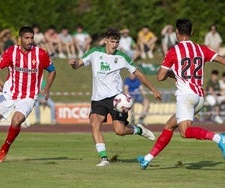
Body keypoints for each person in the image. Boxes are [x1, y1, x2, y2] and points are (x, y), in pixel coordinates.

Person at [137, 18, 225, 170]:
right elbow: (222, 60)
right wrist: (176, 74)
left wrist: (168, 71)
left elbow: (160, 76)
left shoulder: (173, 51)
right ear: (191, 32)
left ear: (177, 33)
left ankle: (219, 138)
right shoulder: (201, 49)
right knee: (170, 126)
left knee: (185, 132)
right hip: (199, 98)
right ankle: (147, 159)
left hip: (186, 97)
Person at [68, 28, 162, 167]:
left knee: (119, 131)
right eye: (112, 41)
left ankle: (138, 129)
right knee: (94, 123)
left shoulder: (122, 57)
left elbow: (139, 74)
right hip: (98, 99)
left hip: (116, 99)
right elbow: (79, 64)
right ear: (105, 41)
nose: (114, 45)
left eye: (117, 42)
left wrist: (154, 90)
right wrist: (74, 63)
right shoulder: (95, 52)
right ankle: (104, 158)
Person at [0, 26, 56, 163]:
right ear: (19, 39)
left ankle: (4, 149)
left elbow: (52, 70)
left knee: (17, 120)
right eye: (27, 38)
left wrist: (47, 88)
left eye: (32, 38)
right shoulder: (11, 52)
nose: (30, 41)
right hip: (10, 93)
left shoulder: (40, 54)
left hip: (29, 96)